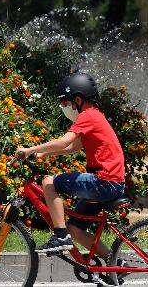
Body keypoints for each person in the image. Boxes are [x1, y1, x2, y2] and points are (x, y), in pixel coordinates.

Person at [15, 71, 126, 257]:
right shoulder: (95, 116)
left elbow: (64, 142)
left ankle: (60, 237)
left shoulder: (88, 116)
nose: (64, 106)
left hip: (104, 181)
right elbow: (71, 148)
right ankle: (115, 266)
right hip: (110, 183)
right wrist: (40, 154)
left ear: (78, 99)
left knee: (49, 182)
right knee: (75, 228)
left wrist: (30, 149)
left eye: (65, 102)